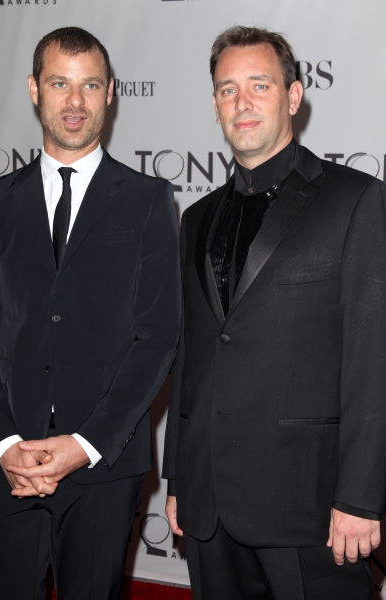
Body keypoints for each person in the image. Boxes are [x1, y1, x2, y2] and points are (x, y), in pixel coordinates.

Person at [0, 26, 181, 600]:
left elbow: (157, 336)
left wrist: (87, 443)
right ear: (34, 89)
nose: (75, 102)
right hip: (11, 467)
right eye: (59, 83)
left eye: (90, 85)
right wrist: (3, 445)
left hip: (104, 464)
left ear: (110, 94)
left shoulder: (148, 200)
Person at [163, 25, 386, 600]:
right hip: (210, 504)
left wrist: (361, 498)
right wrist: (179, 478)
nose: (242, 102)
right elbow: (191, 356)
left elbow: (373, 360)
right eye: (227, 89)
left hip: (311, 509)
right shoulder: (196, 218)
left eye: (259, 85)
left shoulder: (355, 200)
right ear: (214, 105)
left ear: (293, 96)